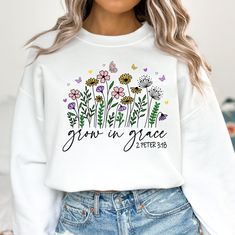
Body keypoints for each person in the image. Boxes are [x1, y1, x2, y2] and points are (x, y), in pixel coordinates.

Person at [10, 0, 235, 234]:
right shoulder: (48, 54)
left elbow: (208, 156)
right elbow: (30, 159)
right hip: (81, 222)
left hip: (167, 221)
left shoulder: (175, 52)